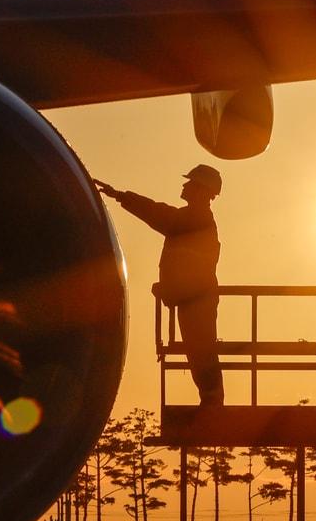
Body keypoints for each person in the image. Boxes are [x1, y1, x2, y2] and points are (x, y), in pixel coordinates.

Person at [96, 165, 225, 405]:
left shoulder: (195, 219)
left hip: (197, 300)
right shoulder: (195, 219)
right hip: (192, 298)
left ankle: (212, 402)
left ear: (201, 190)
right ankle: (211, 400)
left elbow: (159, 215)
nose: (185, 186)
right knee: (198, 350)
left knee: (201, 350)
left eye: (190, 183)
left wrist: (121, 196)